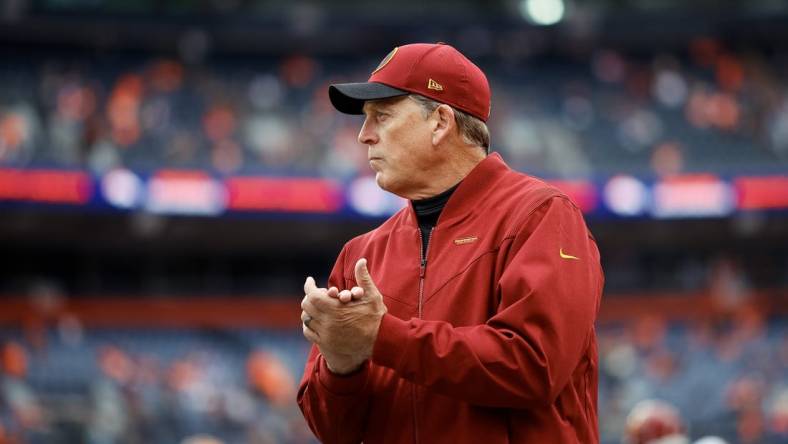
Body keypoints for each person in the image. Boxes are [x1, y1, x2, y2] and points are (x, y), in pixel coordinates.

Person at [297, 42, 604, 443]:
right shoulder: (361, 253)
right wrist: (341, 363)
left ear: (440, 122)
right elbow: (335, 432)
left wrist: (381, 336)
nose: (363, 136)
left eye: (382, 116)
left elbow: (535, 365)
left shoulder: (541, 214)